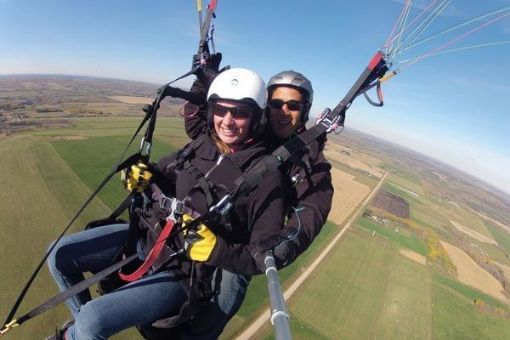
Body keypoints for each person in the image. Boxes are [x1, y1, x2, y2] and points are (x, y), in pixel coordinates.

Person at [46, 68, 286, 340]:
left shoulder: (264, 176)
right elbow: (163, 172)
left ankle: (76, 334)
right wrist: (140, 175)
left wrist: (218, 250)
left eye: (240, 112)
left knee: (93, 321)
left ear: (256, 117)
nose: (227, 121)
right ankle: (79, 332)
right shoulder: (201, 147)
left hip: (183, 273)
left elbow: (262, 255)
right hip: (145, 239)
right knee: (58, 255)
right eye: (220, 109)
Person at [180, 68, 333, 338]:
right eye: (276, 104)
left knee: (213, 312)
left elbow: (310, 215)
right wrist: (203, 83)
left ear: (304, 111)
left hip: (248, 245)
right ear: (265, 105)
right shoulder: (252, 131)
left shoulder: (310, 163)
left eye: (293, 105)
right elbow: (198, 127)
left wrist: (274, 250)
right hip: (216, 220)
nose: (283, 111)